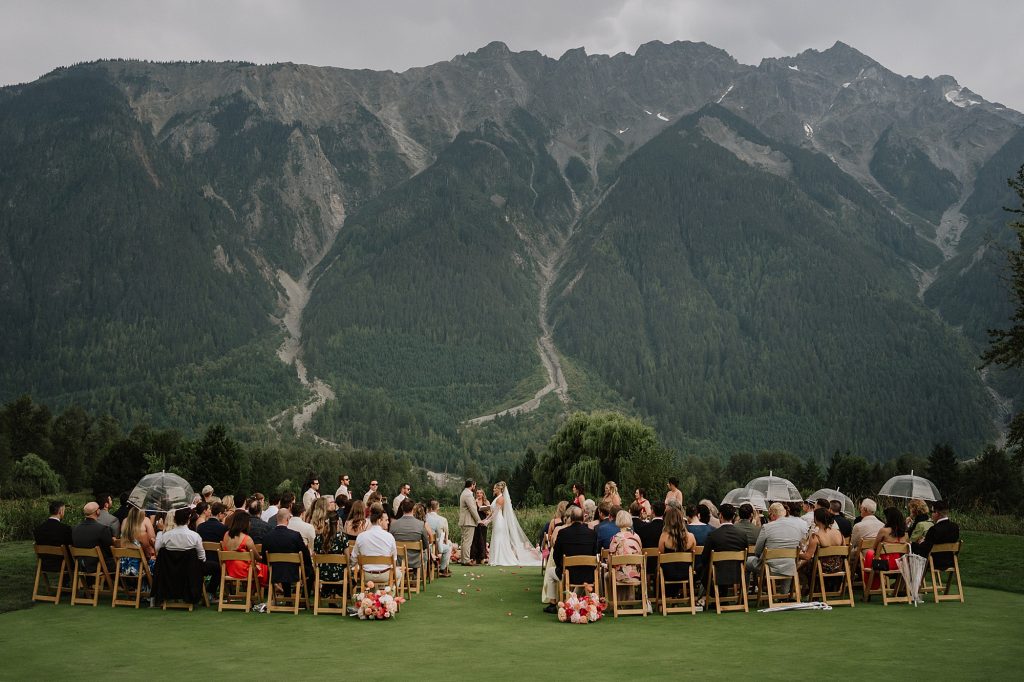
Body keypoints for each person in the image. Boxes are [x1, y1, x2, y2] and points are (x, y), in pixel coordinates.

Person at [546, 506, 599, 614]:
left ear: (571, 518)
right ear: (583, 519)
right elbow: (595, 553)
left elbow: (556, 554)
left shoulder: (563, 533)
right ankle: (574, 601)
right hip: (588, 574)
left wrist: (561, 567)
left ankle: (552, 603)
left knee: (550, 572)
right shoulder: (592, 533)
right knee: (581, 574)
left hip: (568, 573)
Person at [748, 502, 805, 596]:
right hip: (790, 566)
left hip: (770, 568)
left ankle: (745, 594)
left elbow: (757, 551)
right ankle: (784, 594)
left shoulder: (767, 527)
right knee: (787, 563)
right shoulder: (797, 527)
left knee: (746, 563)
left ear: (772, 515)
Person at [488, 481, 542, 566]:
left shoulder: (501, 498)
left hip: (499, 521)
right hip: (496, 521)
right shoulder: (497, 498)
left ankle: (499, 559)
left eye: (495, 488)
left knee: (499, 538)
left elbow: (496, 512)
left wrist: (487, 521)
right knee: (496, 538)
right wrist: (486, 519)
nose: (493, 489)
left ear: (500, 489)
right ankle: (496, 558)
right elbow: (492, 511)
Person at [261, 508, 311, 596]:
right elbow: (305, 554)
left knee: (284, 567)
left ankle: (287, 596)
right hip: (294, 571)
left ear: (277, 519)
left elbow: (265, 558)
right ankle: (304, 598)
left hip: (274, 571)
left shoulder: (267, 536)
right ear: (288, 519)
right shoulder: (295, 535)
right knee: (310, 572)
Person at [700, 503, 748, 593]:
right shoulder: (742, 535)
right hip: (737, 573)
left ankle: (714, 596)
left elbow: (704, 558)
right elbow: (746, 555)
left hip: (717, 574)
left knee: (703, 570)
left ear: (720, 516)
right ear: (733, 517)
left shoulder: (713, 535)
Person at [352, 504, 399, 586]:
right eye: (386, 520)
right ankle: (390, 592)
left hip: (366, 575)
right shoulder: (389, 536)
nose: (388, 522)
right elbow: (394, 558)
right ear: (380, 521)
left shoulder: (361, 536)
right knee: (399, 574)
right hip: (385, 574)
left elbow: (354, 557)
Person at [221, 508, 268, 587]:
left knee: (255, 565)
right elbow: (257, 558)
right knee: (263, 565)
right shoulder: (247, 539)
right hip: (243, 572)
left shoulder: (226, 534)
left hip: (229, 569)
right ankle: (263, 588)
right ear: (245, 523)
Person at [658, 505, 696, 596]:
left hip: (668, 574)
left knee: (659, 569)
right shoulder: (691, 537)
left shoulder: (664, 537)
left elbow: (660, 557)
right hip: (686, 573)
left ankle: (665, 597)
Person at [912, 500, 960, 569]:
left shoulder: (934, 529)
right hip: (950, 561)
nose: (931, 515)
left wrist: (915, 544)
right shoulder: (955, 527)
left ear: (937, 513)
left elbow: (924, 549)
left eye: (932, 512)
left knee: (911, 551)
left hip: (934, 562)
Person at [798, 507, 845, 577]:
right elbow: (844, 551)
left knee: (803, 565)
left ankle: (804, 586)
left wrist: (796, 554)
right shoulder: (839, 533)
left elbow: (807, 556)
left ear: (816, 519)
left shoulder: (816, 536)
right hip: (838, 568)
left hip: (821, 569)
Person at [391, 498, 431, 574]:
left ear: (402, 508)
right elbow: (426, 545)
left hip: (399, 560)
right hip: (415, 560)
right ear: (413, 509)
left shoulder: (394, 524)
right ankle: (418, 574)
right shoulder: (420, 524)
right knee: (425, 552)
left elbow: (390, 542)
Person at [608, 510, 643, 596]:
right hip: (636, 575)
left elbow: (610, 560)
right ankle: (629, 601)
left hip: (621, 576)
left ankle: (615, 602)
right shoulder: (637, 536)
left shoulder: (616, 538)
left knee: (607, 575)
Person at [72, 501, 115, 571]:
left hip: (81, 565)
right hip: (99, 565)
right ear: (98, 511)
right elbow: (110, 550)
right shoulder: (102, 529)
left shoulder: (75, 529)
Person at [117, 506, 157, 577]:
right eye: (144, 511)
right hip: (140, 566)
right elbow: (152, 540)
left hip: (124, 567)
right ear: (141, 513)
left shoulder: (124, 521)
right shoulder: (145, 520)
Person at [34, 500, 73, 572]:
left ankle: (65, 582)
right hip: (63, 564)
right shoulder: (65, 529)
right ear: (60, 511)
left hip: (44, 564)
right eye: (64, 510)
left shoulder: (38, 529)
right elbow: (71, 546)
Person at [312, 510, 346, 590]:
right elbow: (347, 558)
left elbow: (315, 555)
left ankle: (327, 592)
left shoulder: (318, 538)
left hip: (322, 574)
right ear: (337, 522)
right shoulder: (342, 537)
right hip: (339, 574)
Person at [425, 500, 453, 577]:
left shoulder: (423, 517)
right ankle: (443, 568)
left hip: (423, 545)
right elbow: (442, 536)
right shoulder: (442, 519)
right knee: (448, 546)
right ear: (437, 508)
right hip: (433, 546)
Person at [458, 480, 482, 566]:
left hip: (465, 521)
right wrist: (479, 520)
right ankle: (466, 560)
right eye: (474, 485)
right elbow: (473, 509)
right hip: (468, 521)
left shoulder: (464, 493)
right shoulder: (468, 494)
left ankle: (464, 559)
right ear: (472, 485)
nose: (474, 487)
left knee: (464, 541)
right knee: (467, 541)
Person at [471, 489, 490, 564]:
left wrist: (485, 511)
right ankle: (474, 558)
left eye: (480, 493)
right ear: (476, 494)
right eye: (477, 493)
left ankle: (482, 558)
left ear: (483, 494)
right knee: (475, 540)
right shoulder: (473, 501)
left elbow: (489, 513)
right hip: (476, 522)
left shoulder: (486, 502)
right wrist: (475, 503)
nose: (479, 494)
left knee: (482, 540)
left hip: (483, 522)